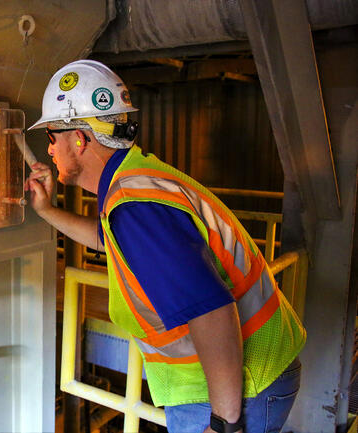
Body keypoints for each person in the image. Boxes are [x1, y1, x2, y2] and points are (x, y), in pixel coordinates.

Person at [25, 60, 306, 433]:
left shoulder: (136, 207)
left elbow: (213, 313)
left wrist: (225, 425)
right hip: (251, 376)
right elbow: (108, 239)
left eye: (52, 137)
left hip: (231, 394)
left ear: (79, 139)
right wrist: (47, 211)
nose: (49, 151)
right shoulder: (134, 182)